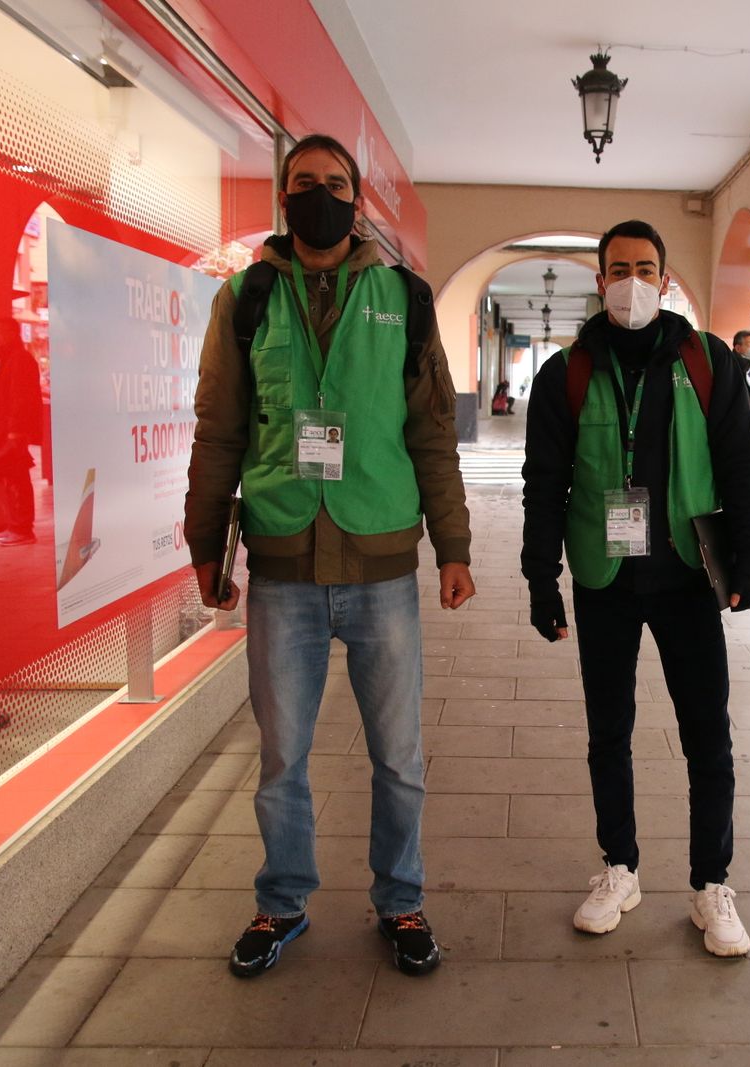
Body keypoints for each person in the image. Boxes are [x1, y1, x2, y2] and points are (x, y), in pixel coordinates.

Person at [185, 133, 475, 980]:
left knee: (399, 756)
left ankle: (403, 900)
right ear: (284, 198)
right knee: (281, 757)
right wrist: (209, 547)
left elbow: (433, 433)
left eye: (335, 183)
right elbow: (219, 432)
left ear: (358, 199)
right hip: (281, 570)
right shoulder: (243, 299)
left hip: (383, 567)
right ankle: (281, 902)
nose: (320, 193)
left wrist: (452, 546)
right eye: (303, 182)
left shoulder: (405, 297)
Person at [522, 219, 750, 957]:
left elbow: (740, 467)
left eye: (646, 267)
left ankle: (711, 883)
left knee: (708, 735)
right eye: (619, 267)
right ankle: (620, 866)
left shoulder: (708, 364)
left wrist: (747, 558)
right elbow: (544, 484)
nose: (633, 280)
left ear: (665, 280)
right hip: (604, 579)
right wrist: (542, 576)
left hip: (688, 578)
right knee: (609, 733)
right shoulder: (567, 371)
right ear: (600, 281)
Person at [0, 318, 43, 546]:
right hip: (2, 430)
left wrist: (15, 431)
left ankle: (22, 528)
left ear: (8, 334)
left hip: (11, 432)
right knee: (10, 478)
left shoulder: (19, 361)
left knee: (17, 478)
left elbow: (20, 398)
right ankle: (16, 526)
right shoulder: (3, 361)